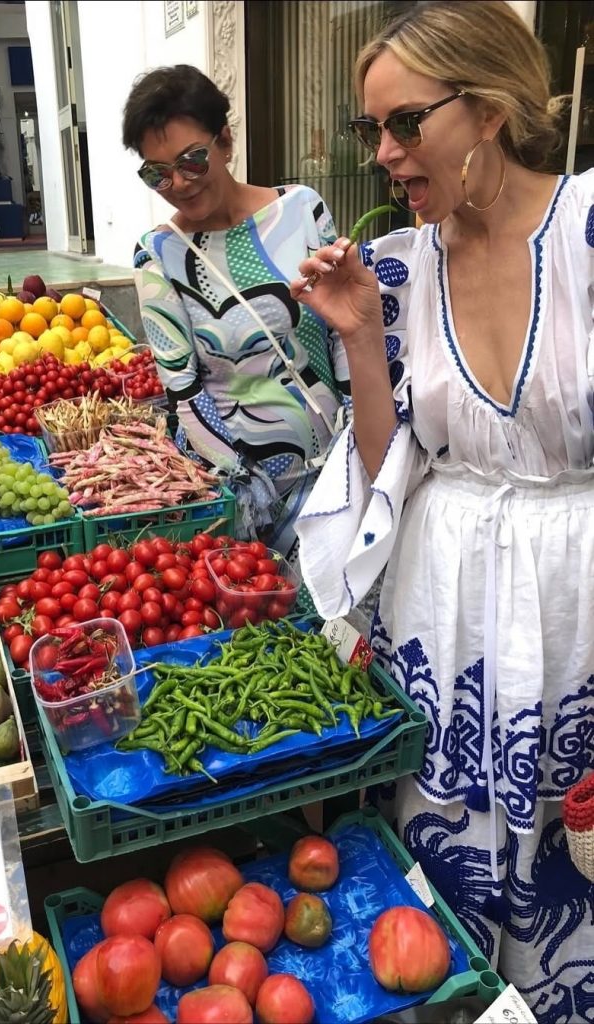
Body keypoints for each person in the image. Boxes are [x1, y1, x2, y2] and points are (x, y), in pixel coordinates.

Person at [292, 3, 593, 1019]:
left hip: (575, 607)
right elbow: (389, 474)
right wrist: (358, 345)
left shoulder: (590, 233)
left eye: (405, 124)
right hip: (447, 605)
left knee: (572, 852)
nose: (383, 154)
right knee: (449, 863)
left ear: (492, 110)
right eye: (373, 129)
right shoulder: (402, 270)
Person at [122, 64, 341, 558]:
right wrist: (246, 493)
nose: (178, 182)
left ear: (225, 140)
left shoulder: (303, 211)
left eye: (192, 160)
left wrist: (359, 444)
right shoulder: (158, 254)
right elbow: (184, 392)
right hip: (246, 505)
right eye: (157, 173)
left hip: (338, 478)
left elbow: (344, 336)